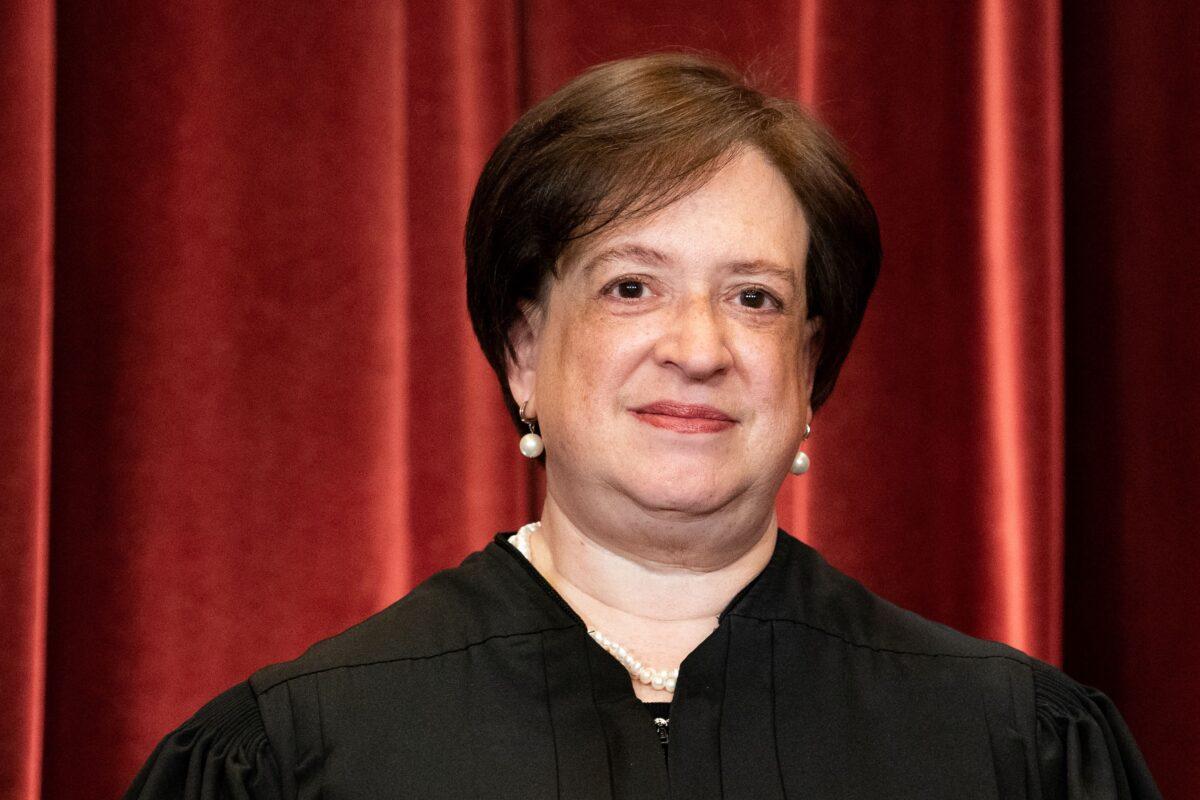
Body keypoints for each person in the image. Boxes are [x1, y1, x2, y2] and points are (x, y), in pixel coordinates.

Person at [124, 52, 1161, 799]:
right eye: (631, 286)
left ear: (810, 371)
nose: (697, 346)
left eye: (754, 298)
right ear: (523, 351)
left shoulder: (1013, 747)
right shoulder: (299, 754)